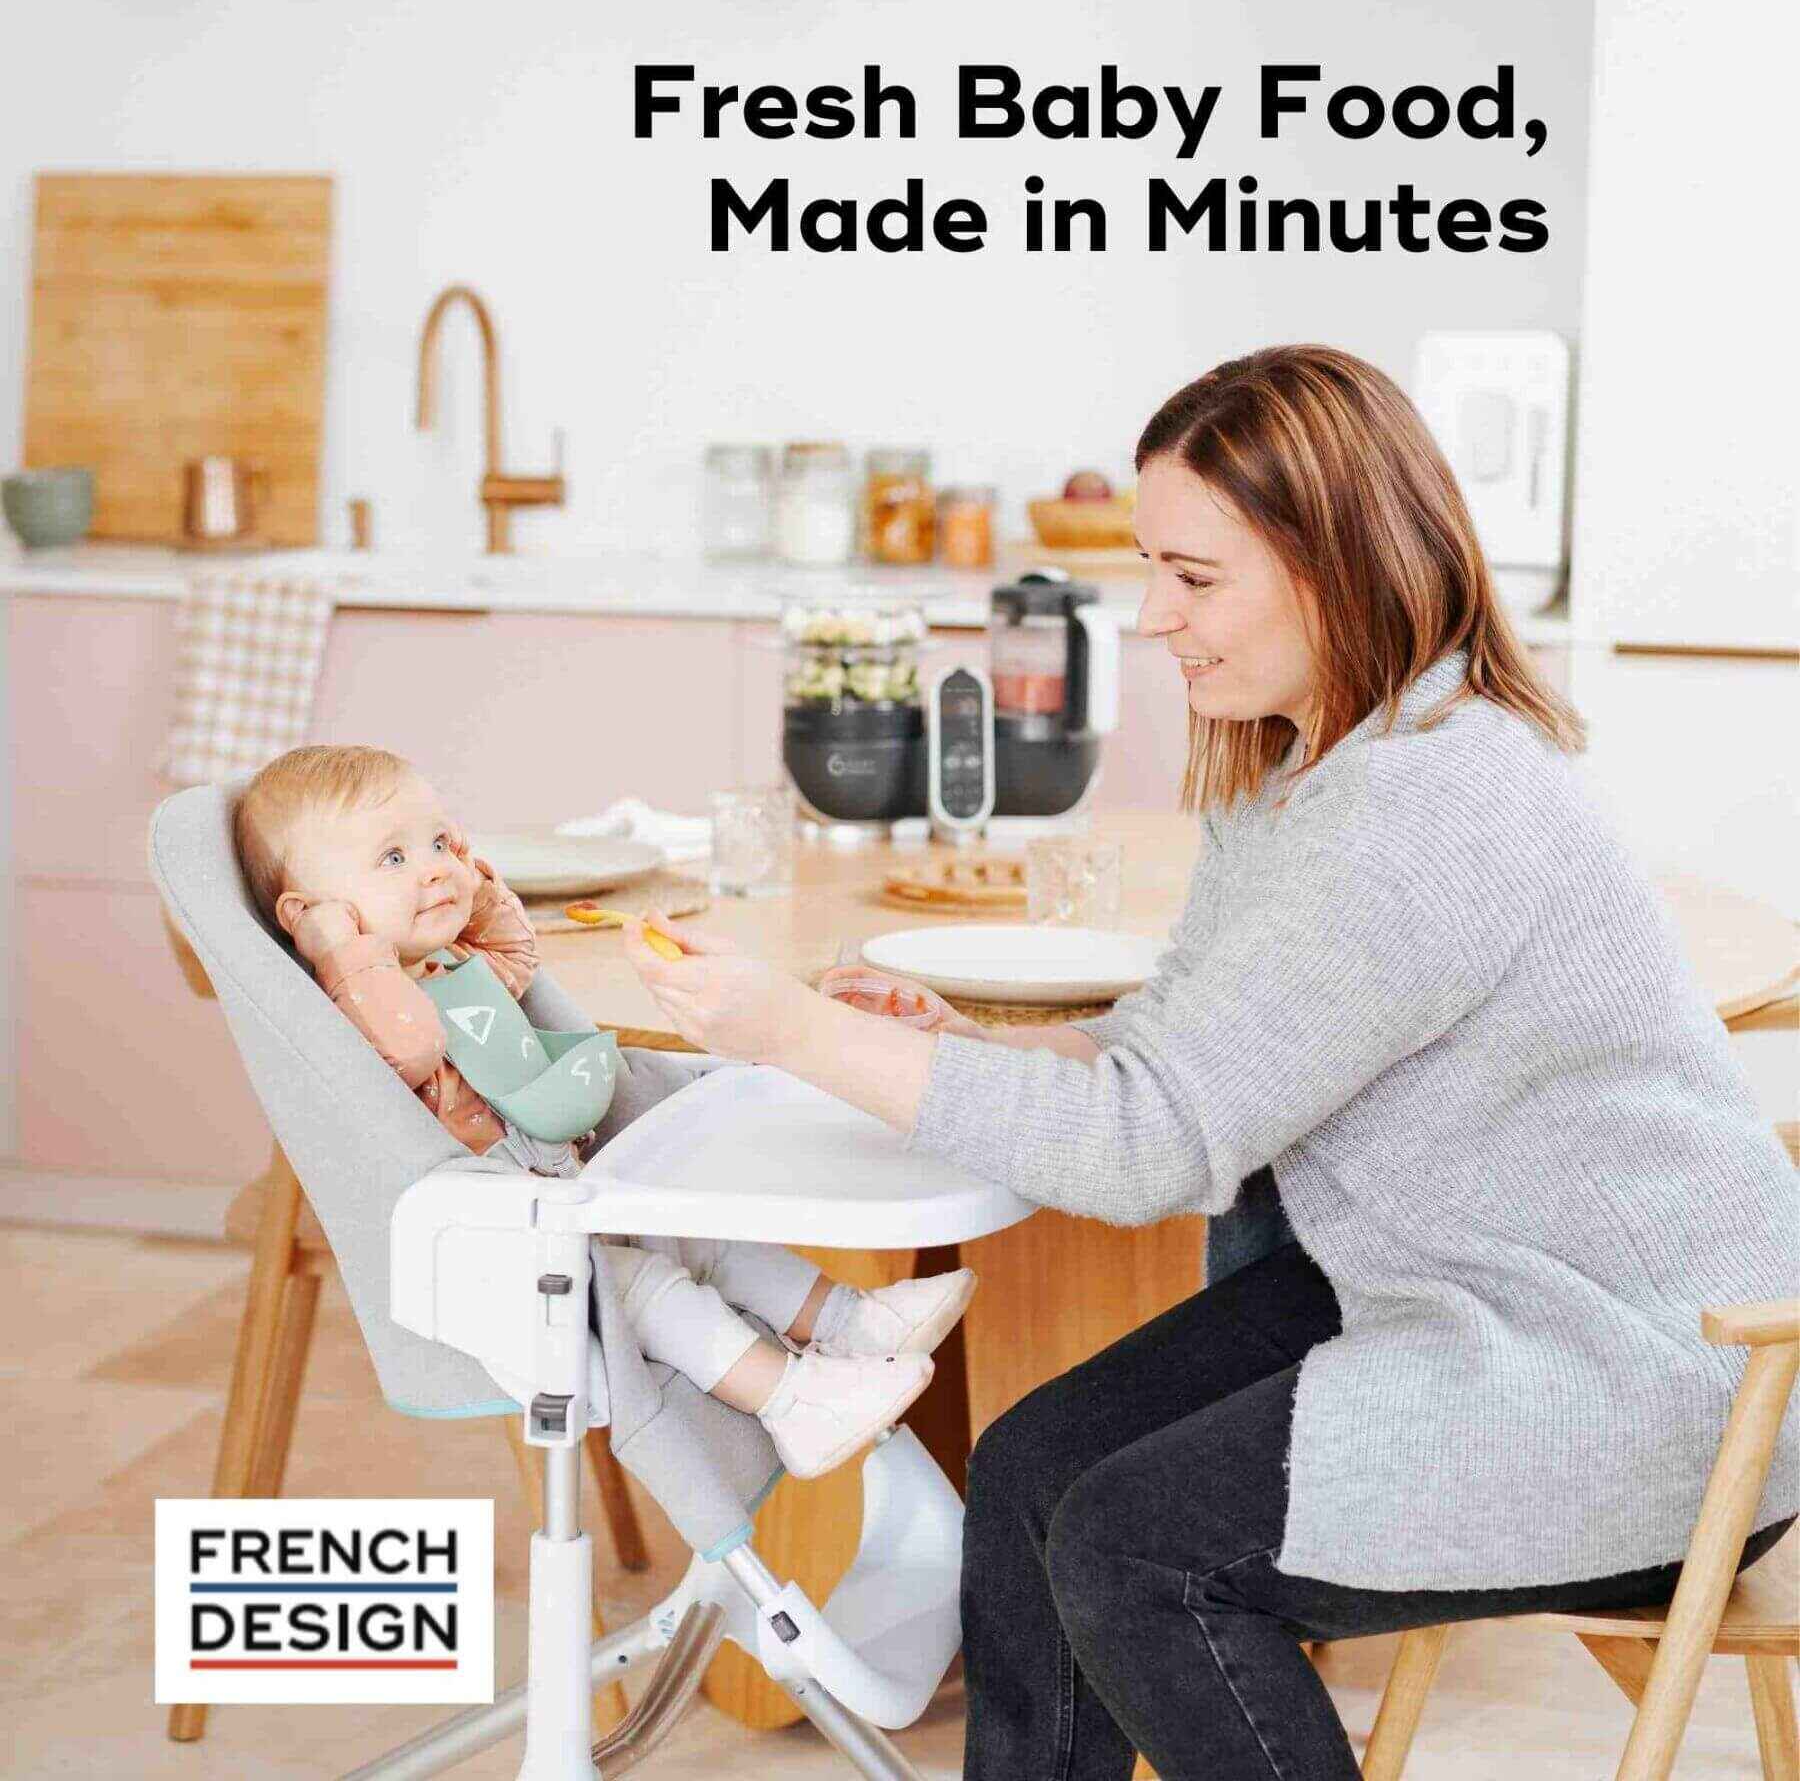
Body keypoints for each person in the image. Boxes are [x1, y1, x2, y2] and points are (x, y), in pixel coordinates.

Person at [623, 346, 1798, 1778]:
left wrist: (801, 1035)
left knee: (1140, 1555)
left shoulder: (1428, 809)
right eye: (1150, 570)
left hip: (1641, 1380)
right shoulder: (1322, 765)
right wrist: (964, 1048)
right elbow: (1182, 1039)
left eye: (1194, 577)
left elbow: (1150, 1149)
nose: (1153, 618)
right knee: (1033, 1472)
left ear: (1338, 565)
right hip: (1461, 1282)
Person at [231, 744, 976, 1479]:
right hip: (497, 1240)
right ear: (309, 915)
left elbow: (518, 956)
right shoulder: (360, 1001)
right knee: (644, 1288)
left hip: (559, 1185)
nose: (431, 868)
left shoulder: (451, 965)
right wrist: (339, 949)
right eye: (393, 858)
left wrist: (474, 882)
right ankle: (794, 1401)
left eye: (438, 842)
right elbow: (412, 1046)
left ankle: (851, 1322)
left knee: (701, 1240)